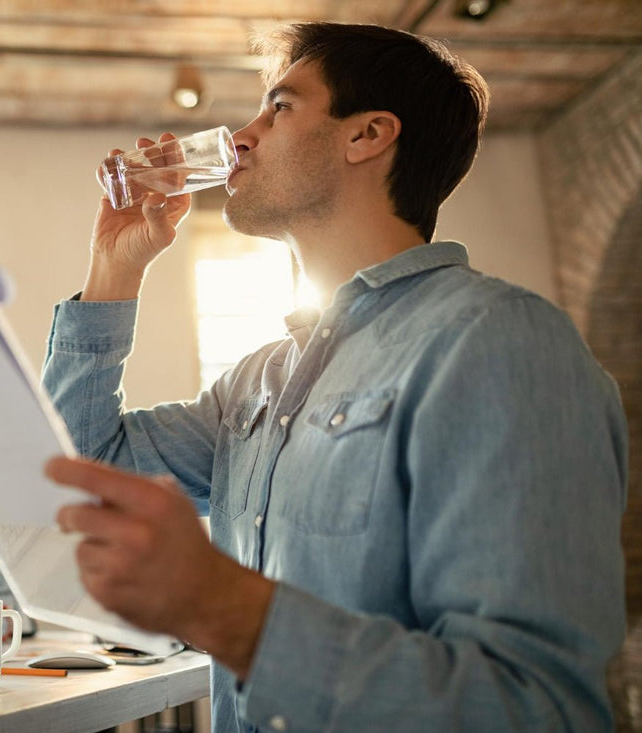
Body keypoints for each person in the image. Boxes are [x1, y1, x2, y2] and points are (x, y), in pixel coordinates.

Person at [40, 22, 628, 732]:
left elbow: (536, 707)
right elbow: (78, 470)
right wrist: (115, 268)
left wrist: (223, 604)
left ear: (368, 135)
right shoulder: (256, 383)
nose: (241, 137)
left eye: (279, 107)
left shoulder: (501, 341)